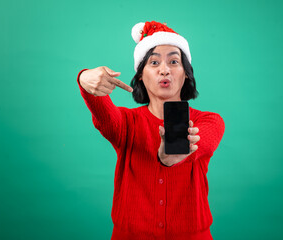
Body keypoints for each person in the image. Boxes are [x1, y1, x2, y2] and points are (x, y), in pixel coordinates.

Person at [76, 20, 225, 240]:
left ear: (186, 74)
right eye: (154, 63)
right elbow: (101, 108)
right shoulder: (126, 123)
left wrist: (176, 154)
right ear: (140, 77)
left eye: (174, 61)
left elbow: (201, 143)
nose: (164, 69)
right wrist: (84, 78)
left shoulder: (209, 121)